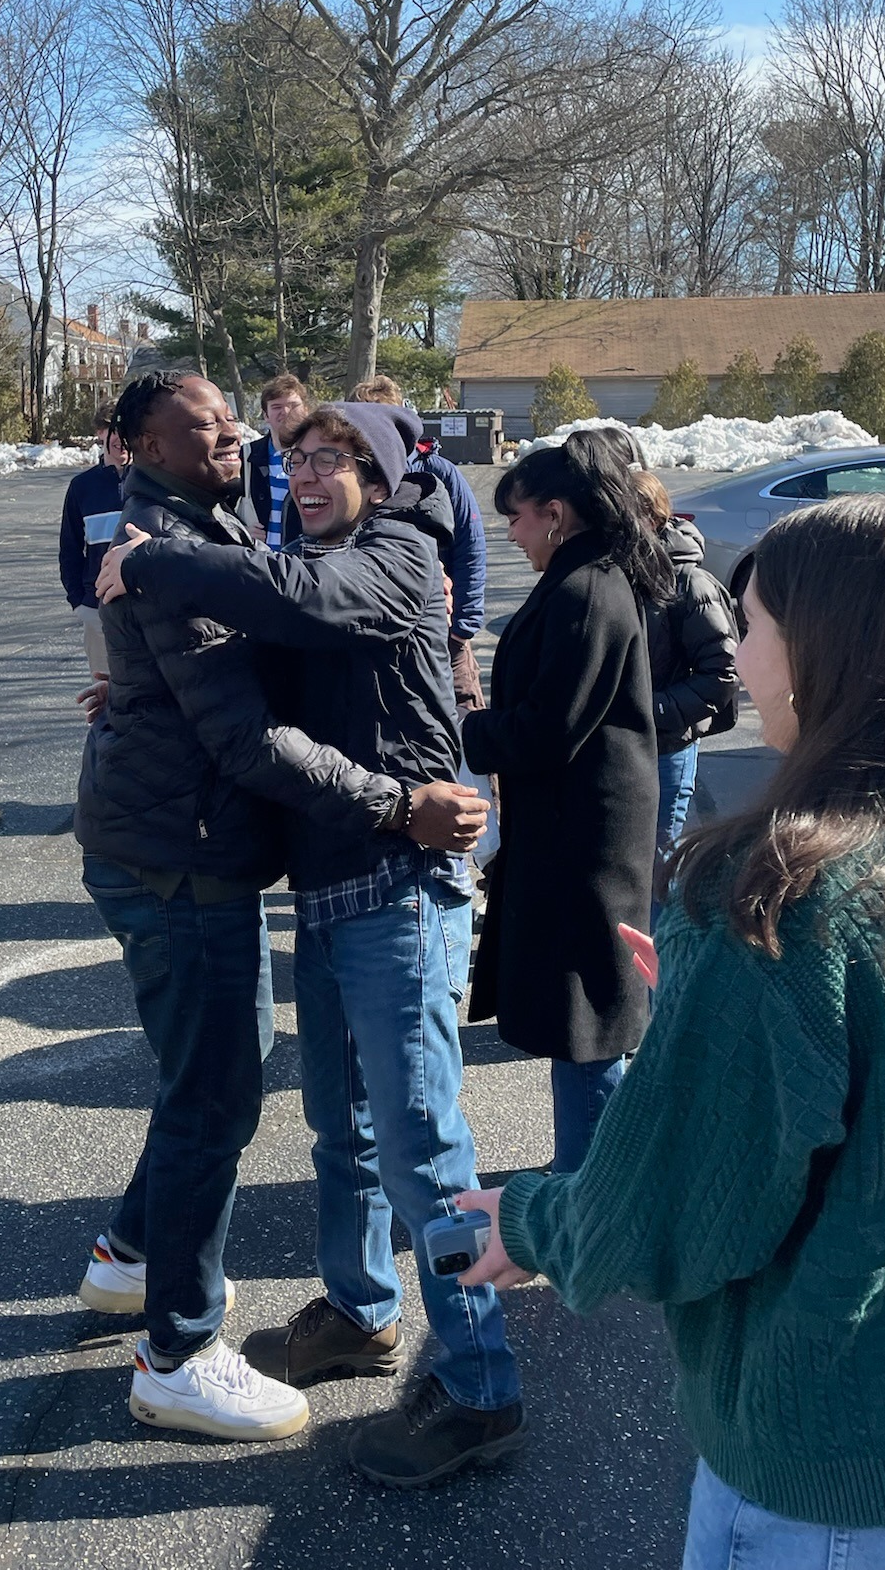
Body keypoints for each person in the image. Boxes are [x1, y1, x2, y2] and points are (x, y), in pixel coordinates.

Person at [457, 496, 885, 1563]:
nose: (739, 658)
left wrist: (531, 1222)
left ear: (825, 651)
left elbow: (671, 1213)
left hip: (817, 1478)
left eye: (753, 627)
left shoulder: (784, 903)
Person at [99, 400, 519, 1487]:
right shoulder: (311, 556)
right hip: (331, 887)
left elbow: (295, 598)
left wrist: (149, 562)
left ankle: (481, 1384)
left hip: (401, 883)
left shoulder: (395, 553)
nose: (309, 472)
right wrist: (139, 693)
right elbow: (257, 673)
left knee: (425, 1147)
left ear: (380, 476)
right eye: (299, 456)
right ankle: (363, 1310)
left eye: (335, 456)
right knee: (345, 1129)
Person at [462, 432, 670, 1172]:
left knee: (587, 1017)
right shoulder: (589, 576)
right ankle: (596, 1176)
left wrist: (465, 730)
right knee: (583, 1011)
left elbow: (549, 729)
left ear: (554, 513)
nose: (511, 534)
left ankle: (591, 1187)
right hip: (581, 827)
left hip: (584, 840)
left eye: (516, 517)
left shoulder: (586, 590)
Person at [632, 470, 738, 920]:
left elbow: (722, 673)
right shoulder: (619, 575)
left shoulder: (690, 584)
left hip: (668, 748)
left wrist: (650, 712)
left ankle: (662, 959)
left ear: (652, 518)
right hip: (625, 746)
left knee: (658, 868)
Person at [348, 376, 487, 710]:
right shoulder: (347, 479)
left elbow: (471, 547)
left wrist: (462, 628)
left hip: (445, 631)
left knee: (463, 717)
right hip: (372, 633)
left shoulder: (439, 472)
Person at [58, 400, 128, 678]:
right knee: (105, 689)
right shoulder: (82, 487)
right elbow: (70, 549)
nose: (121, 439)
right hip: (98, 608)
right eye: (113, 430)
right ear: (100, 433)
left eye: (127, 430)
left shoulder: (153, 480)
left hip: (148, 609)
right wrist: (80, 602)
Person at [240, 372, 310, 550]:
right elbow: (219, 506)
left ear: (306, 410)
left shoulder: (319, 457)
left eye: (293, 405)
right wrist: (239, 530)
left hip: (303, 559)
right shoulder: (246, 456)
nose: (285, 412)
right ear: (266, 415)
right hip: (259, 559)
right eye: (277, 406)